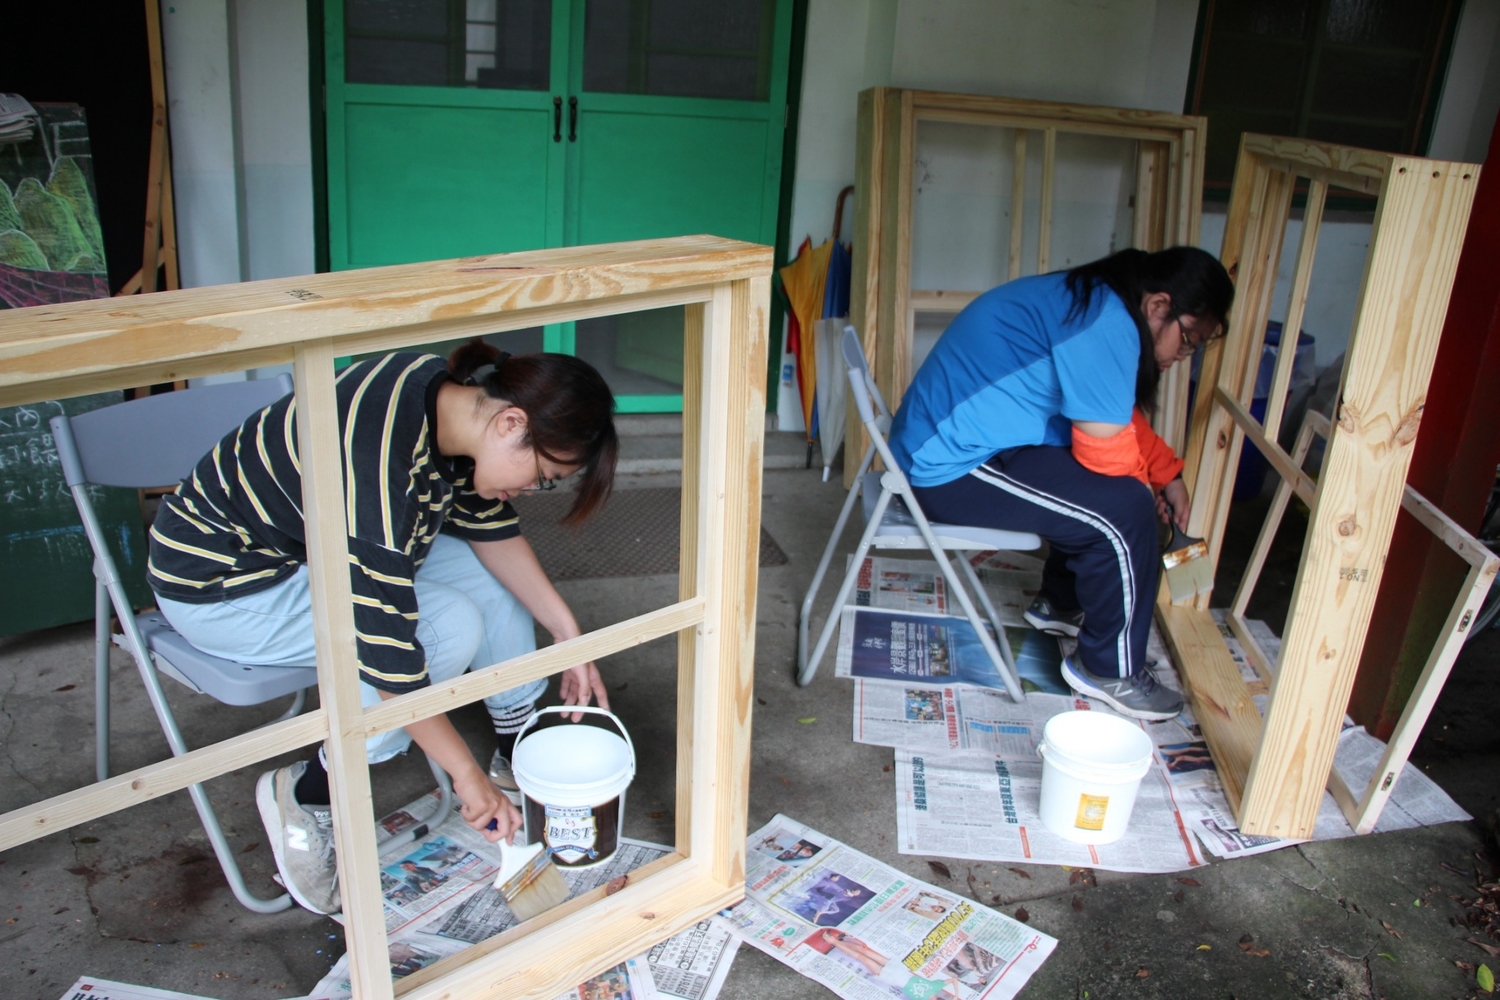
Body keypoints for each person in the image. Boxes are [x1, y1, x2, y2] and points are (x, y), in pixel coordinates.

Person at [145, 340, 618, 913]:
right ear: (510, 422)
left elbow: (489, 524)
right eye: (543, 476)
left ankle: (515, 745)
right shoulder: (373, 463)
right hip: (230, 586)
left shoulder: (448, 400)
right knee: (445, 627)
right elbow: (390, 658)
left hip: (319, 547)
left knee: (485, 578)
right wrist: (466, 779)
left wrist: (569, 636)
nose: (529, 491)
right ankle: (311, 790)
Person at [888, 247, 1233, 720]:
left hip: (964, 438)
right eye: (1188, 340)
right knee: (1125, 510)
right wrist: (1143, 488)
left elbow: (1112, 415)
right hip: (946, 465)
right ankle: (1108, 669)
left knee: (1108, 494)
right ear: (1158, 307)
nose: (1182, 356)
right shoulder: (1105, 322)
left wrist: (1166, 472)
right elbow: (1107, 453)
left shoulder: (1097, 302)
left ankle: (1061, 604)